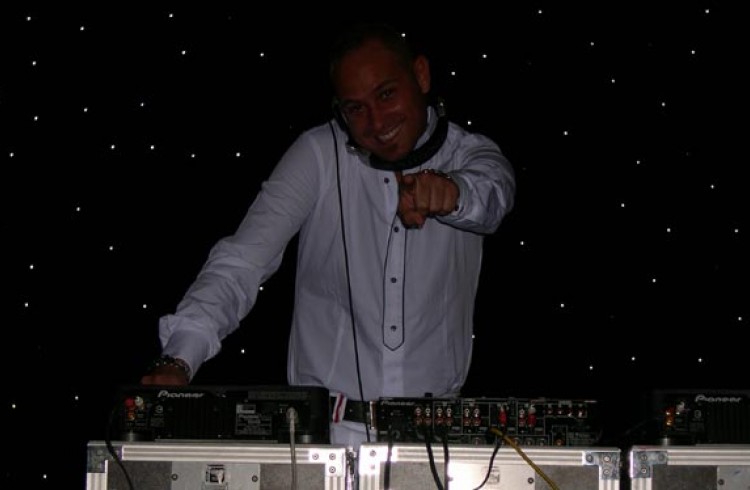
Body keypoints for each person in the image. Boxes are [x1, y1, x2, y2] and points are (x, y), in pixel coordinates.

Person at [140, 21, 516, 450]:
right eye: (356, 108)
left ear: (422, 75)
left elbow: (495, 192)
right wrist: (180, 357)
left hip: (433, 443)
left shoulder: (471, 155)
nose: (376, 122)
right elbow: (242, 262)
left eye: (386, 94)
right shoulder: (318, 154)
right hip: (324, 440)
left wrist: (453, 193)